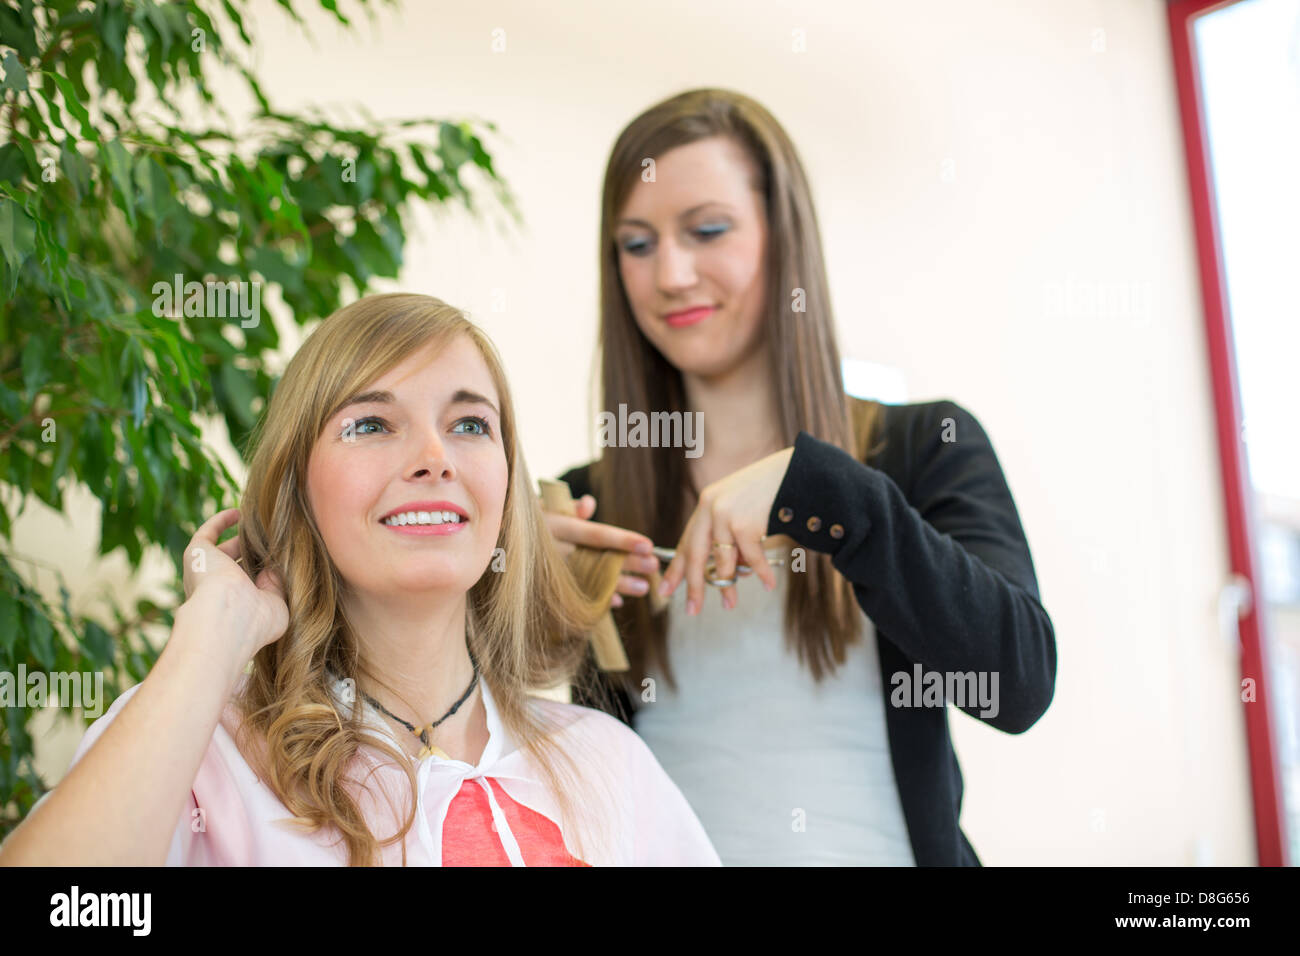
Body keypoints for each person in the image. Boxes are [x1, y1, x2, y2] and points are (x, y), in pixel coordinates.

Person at [0, 293, 720, 867]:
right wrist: (210, 644)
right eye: (371, 425)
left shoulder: (608, 763)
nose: (435, 457)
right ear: (297, 486)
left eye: (470, 426)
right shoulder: (204, 753)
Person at [546, 88, 1057, 865]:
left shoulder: (921, 445)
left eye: (707, 230)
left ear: (785, 240)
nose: (672, 274)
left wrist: (821, 493)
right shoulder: (593, 503)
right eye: (637, 244)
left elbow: (1016, 683)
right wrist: (507, 610)